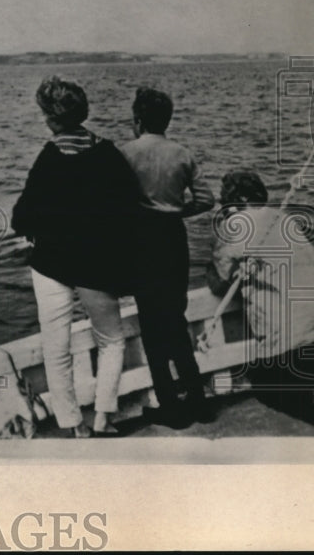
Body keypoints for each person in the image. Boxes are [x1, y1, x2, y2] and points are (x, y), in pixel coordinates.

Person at [11, 76, 142, 438]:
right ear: (82, 112)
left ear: (49, 118)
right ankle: (103, 418)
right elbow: (130, 210)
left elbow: (20, 218)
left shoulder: (48, 158)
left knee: (56, 346)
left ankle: (73, 426)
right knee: (112, 339)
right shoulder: (108, 153)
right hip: (96, 265)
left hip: (50, 263)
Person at [119, 87, 216, 428]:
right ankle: (199, 401)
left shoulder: (126, 153)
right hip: (174, 238)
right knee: (175, 318)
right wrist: (178, 212)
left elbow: (112, 201)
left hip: (141, 241)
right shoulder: (182, 153)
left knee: (151, 324)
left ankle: (171, 407)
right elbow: (206, 199)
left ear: (138, 119)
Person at [206, 170, 314, 424]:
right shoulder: (284, 218)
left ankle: (313, 401)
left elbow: (219, 282)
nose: (224, 210)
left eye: (226, 203)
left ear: (240, 200)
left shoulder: (235, 225)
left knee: (266, 392)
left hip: (288, 342)